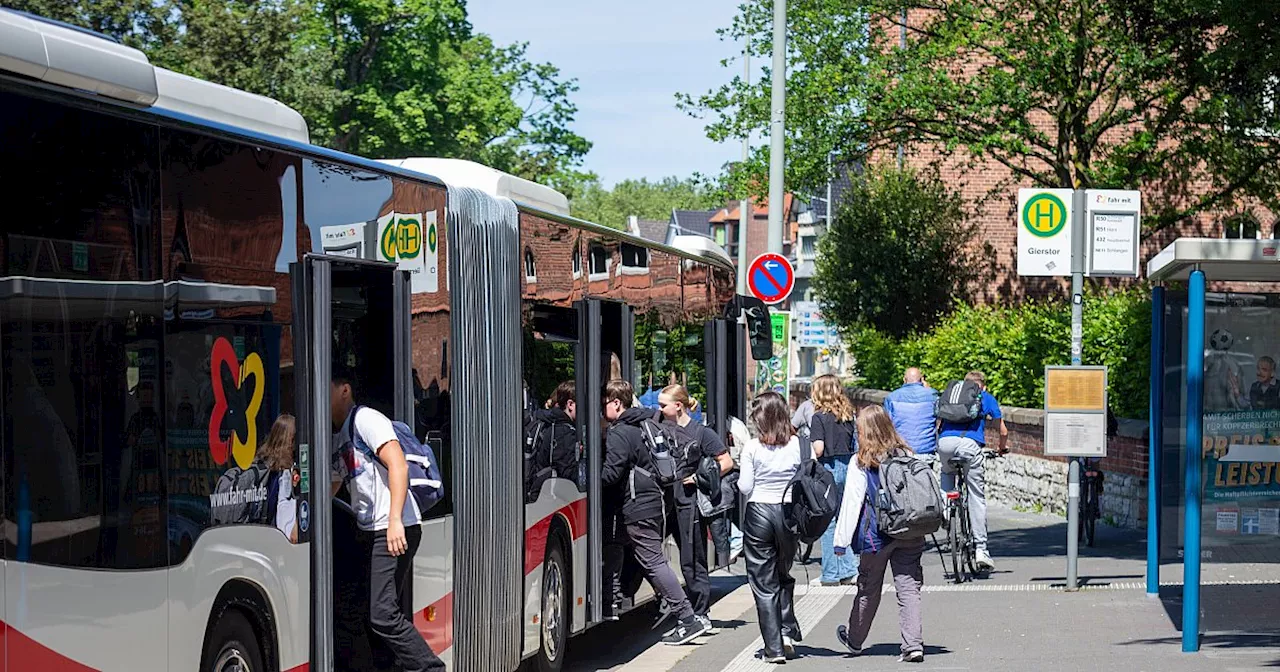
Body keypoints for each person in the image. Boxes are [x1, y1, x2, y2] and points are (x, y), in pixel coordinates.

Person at [330, 369, 446, 672]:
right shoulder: (338, 436)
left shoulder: (366, 420)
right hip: (370, 530)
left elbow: (397, 465)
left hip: (394, 527)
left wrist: (395, 519)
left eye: (325, 388)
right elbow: (329, 486)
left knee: (382, 613)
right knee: (367, 612)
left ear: (345, 390)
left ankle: (431, 669)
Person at [601, 379, 708, 645]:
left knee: (653, 561)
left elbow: (612, 474)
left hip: (637, 505)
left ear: (616, 403)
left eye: (604, 403)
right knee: (634, 553)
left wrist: (588, 478)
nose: (602, 409)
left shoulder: (620, 432)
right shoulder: (647, 423)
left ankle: (688, 618)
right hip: (655, 502)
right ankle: (614, 598)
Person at [833, 405, 927, 664]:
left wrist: (840, 542)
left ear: (864, 431)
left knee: (868, 588)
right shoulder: (907, 453)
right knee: (908, 587)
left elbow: (852, 502)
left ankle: (854, 640)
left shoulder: (861, 460)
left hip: (876, 535)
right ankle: (913, 646)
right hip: (909, 530)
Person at [659, 384, 733, 632]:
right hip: (666, 500)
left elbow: (726, 461)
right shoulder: (660, 428)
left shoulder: (701, 433)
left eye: (662, 405)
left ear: (677, 406)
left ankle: (700, 611)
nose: (658, 409)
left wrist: (699, 479)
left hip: (690, 502)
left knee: (692, 558)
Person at [740, 391, 804, 664]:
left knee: (764, 584)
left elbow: (745, 486)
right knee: (783, 572)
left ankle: (774, 647)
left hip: (759, 513)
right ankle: (787, 632)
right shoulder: (800, 445)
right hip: (788, 514)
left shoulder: (753, 447)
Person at [937, 371, 1008, 572]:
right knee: (976, 495)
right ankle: (981, 550)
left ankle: (944, 507)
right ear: (982, 385)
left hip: (945, 443)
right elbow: (1003, 430)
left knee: (947, 472)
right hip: (969, 445)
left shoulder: (951, 395)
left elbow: (938, 422)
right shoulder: (985, 397)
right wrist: (1001, 449)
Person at [807, 374, 858, 586]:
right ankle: (848, 569)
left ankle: (830, 573)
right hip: (849, 467)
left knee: (828, 522)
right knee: (843, 519)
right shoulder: (848, 415)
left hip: (829, 468)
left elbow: (818, 448)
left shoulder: (819, 417)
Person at [525, 381, 581, 500]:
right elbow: (568, 473)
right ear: (570, 404)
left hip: (543, 494)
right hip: (553, 499)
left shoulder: (550, 423)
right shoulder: (565, 432)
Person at [884, 367, 940, 462]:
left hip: (901, 452)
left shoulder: (892, 397)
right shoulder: (933, 395)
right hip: (926, 452)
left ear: (904, 380)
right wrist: (928, 389)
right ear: (922, 379)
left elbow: (886, 425)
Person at [261, 414, 300, 543]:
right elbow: (285, 505)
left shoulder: (266, 463)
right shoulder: (285, 470)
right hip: (286, 534)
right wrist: (296, 527)